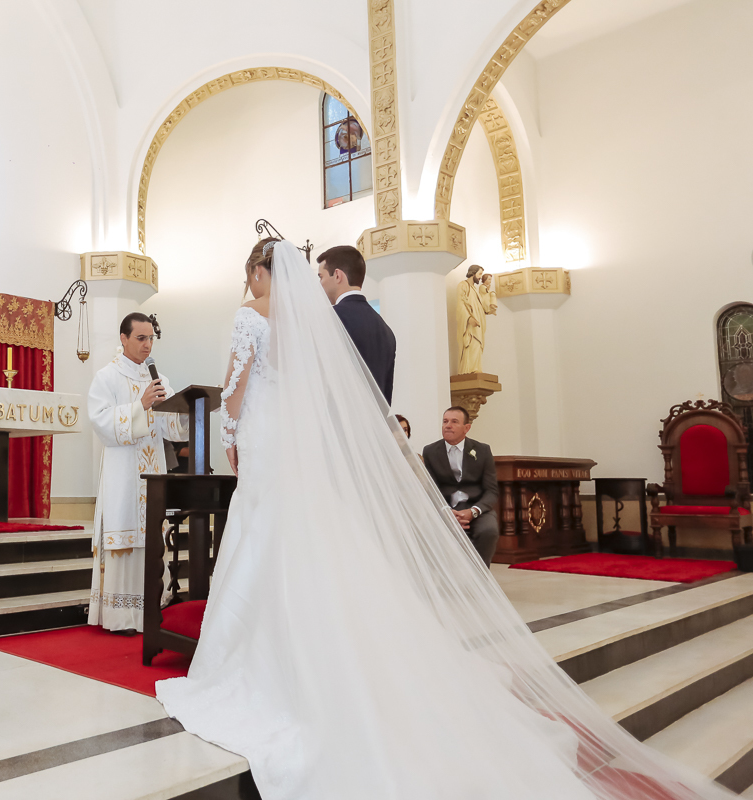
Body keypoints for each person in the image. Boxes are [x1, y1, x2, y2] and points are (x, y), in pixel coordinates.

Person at [156, 239, 734, 800]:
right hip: (302, 444)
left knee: (264, 537)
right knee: (307, 539)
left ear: (259, 272)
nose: (250, 284)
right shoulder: (313, 323)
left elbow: (232, 391)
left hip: (266, 438)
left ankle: (261, 654)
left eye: (250, 274)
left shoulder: (250, 315)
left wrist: (230, 434)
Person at [86, 312, 189, 634]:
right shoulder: (107, 376)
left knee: (151, 536)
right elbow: (100, 422)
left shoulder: (158, 378)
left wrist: (189, 411)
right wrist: (140, 406)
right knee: (126, 535)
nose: (147, 345)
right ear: (124, 339)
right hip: (123, 470)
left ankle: (150, 609)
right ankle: (120, 617)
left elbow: (171, 426)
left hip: (153, 468)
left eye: (151, 339)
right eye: (141, 338)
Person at [317, 244, 396, 404]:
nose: (320, 284)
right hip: (373, 427)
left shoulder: (330, 318)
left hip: (337, 423)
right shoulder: (386, 331)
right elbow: (385, 395)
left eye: (321, 277)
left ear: (337, 275)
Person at [422, 406, 500, 565]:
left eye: (454, 422)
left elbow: (491, 491)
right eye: (445, 421)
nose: (447, 425)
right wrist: (446, 511)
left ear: (467, 428)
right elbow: (431, 488)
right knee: (429, 530)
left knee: (489, 531)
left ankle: (480, 579)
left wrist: (473, 511)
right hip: (444, 508)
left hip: (477, 507)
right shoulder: (430, 451)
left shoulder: (482, 450)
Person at [455, 264, 498, 375]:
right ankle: (469, 371)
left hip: (478, 327)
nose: (480, 277)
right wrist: (469, 319)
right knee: (471, 346)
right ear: (473, 273)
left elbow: (481, 306)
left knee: (477, 347)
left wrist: (489, 309)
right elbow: (461, 304)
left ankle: (476, 370)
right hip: (470, 327)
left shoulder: (475, 290)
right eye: (479, 274)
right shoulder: (463, 285)